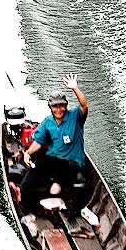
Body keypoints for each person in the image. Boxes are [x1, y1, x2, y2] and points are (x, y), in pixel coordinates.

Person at [19, 74, 89, 217]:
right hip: (53, 160)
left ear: (66, 106)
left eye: (62, 106)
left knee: (68, 169)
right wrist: (27, 153)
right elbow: (38, 142)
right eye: (55, 106)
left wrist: (75, 88)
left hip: (73, 162)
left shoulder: (75, 117)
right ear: (50, 107)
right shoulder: (48, 122)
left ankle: (66, 200)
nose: (59, 109)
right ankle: (27, 209)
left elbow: (84, 105)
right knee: (33, 174)